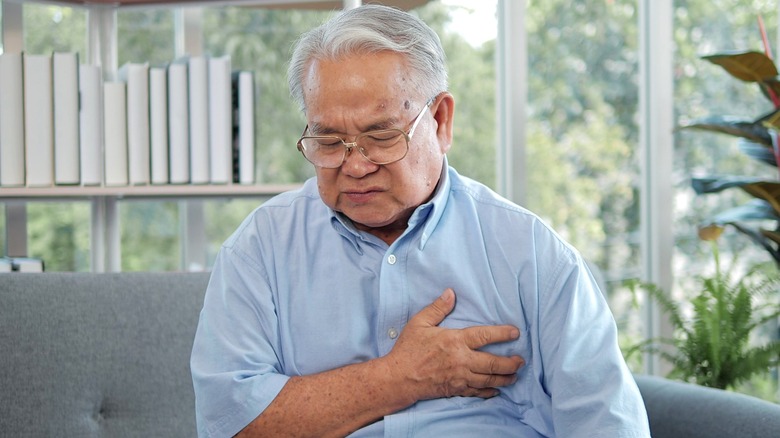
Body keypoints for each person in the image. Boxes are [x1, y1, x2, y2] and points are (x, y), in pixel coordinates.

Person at [191, 4, 650, 437]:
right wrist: (399, 378)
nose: (354, 166)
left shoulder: (532, 253)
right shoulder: (259, 248)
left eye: (382, 136)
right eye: (329, 141)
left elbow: (609, 424)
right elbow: (228, 424)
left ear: (441, 120)